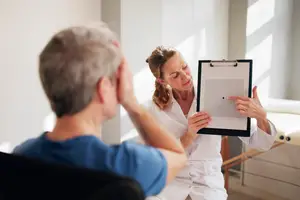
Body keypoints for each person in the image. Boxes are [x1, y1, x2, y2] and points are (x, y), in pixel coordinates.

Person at [12, 23, 187, 197]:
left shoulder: (20, 157)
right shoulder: (127, 166)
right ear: (103, 88)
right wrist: (131, 103)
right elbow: (177, 156)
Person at [145, 46, 277, 200]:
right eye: (174, 75)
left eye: (184, 67)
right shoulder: (155, 109)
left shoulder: (215, 95)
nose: (185, 76)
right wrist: (189, 136)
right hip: (171, 183)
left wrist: (261, 116)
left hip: (207, 185)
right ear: (162, 80)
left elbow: (260, 143)